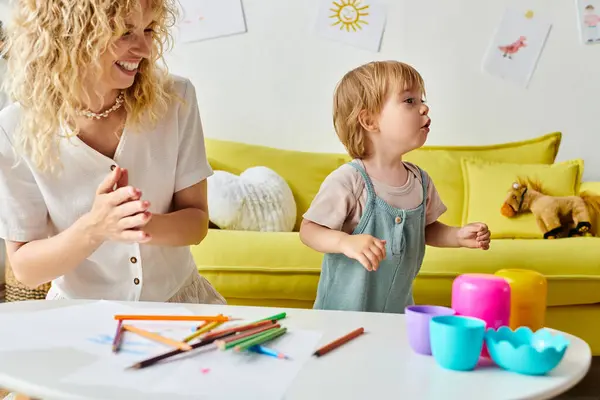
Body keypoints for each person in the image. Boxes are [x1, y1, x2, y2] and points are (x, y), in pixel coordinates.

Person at [0, 0, 225, 305]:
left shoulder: (176, 99)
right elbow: (26, 268)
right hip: (79, 317)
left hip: (177, 306)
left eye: (149, 30)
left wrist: (140, 223)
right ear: (69, 36)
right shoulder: (14, 127)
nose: (145, 49)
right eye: (124, 33)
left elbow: (197, 223)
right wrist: (95, 228)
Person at [299, 60, 491, 313]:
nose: (424, 108)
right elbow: (309, 230)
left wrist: (457, 235)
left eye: (421, 99)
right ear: (369, 121)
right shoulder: (350, 181)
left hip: (396, 315)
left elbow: (426, 229)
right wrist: (345, 242)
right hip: (340, 316)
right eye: (409, 101)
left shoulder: (420, 181)